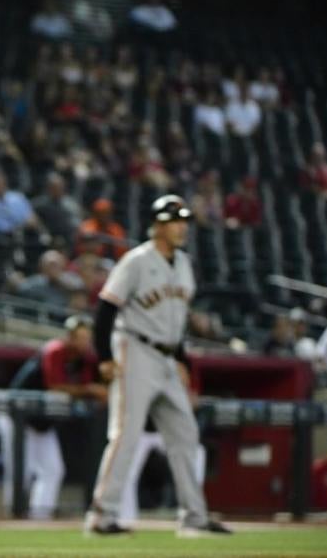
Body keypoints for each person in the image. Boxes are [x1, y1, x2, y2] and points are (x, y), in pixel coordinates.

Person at [85, 195, 231, 537]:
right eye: (174, 220)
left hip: (167, 356)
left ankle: (194, 517)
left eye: (183, 220)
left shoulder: (183, 263)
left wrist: (181, 361)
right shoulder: (136, 260)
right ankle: (101, 516)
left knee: (186, 434)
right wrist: (105, 358)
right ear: (157, 225)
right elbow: (105, 310)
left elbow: (176, 322)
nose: (181, 227)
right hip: (134, 349)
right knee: (126, 435)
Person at [0, 316, 105, 519]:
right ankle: (15, 516)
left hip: (42, 422)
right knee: (22, 471)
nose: (85, 343)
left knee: (53, 470)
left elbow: (95, 389)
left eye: (87, 338)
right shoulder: (55, 350)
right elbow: (55, 386)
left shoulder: (85, 360)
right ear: (69, 337)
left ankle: (40, 516)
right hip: (17, 418)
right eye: (80, 338)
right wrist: (90, 390)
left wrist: (95, 390)